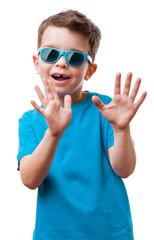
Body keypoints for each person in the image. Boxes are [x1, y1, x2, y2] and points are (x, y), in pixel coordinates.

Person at [17, 9, 147, 240]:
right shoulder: (31, 120)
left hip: (110, 232)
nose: (61, 62)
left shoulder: (105, 109)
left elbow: (124, 169)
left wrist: (121, 128)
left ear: (90, 70)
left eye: (75, 57)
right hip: (54, 234)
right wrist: (53, 134)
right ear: (37, 63)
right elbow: (29, 180)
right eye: (50, 54)